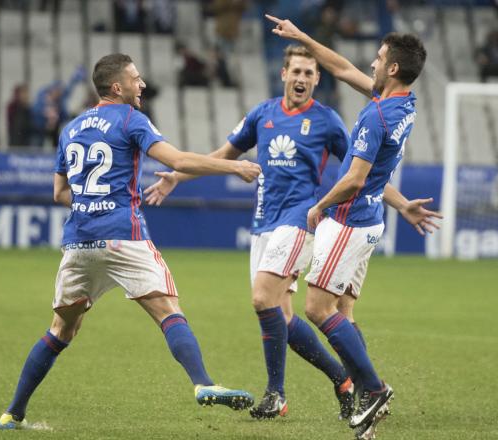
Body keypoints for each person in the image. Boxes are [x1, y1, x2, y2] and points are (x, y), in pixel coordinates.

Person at [144, 45, 439, 424]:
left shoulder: (328, 121)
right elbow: (226, 153)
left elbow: (361, 174)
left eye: (309, 73)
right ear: (283, 74)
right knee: (278, 316)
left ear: (317, 79)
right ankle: (344, 379)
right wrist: (179, 177)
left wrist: (399, 203)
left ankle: (278, 393)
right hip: (265, 221)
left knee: (262, 298)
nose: (301, 79)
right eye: (296, 71)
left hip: (301, 219)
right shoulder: (262, 115)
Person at [0, 53, 261, 430]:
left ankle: (13, 413)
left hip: (79, 241)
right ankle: (202, 383)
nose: (143, 85)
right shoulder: (131, 119)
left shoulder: (71, 128)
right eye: (136, 79)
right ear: (117, 87)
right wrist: (234, 165)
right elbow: (178, 159)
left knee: (60, 329)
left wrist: (91, 202)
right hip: (123, 235)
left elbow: (59, 193)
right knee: (168, 310)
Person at [266, 14, 427, 440]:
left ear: (392, 68)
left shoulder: (377, 117)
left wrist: (319, 205)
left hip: (350, 220)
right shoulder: (402, 103)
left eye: (378, 59)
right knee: (345, 314)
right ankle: (366, 409)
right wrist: (301, 36)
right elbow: (340, 67)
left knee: (318, 310)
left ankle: (373, 389)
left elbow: (355, 178)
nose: (371, 64)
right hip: (372, 219)